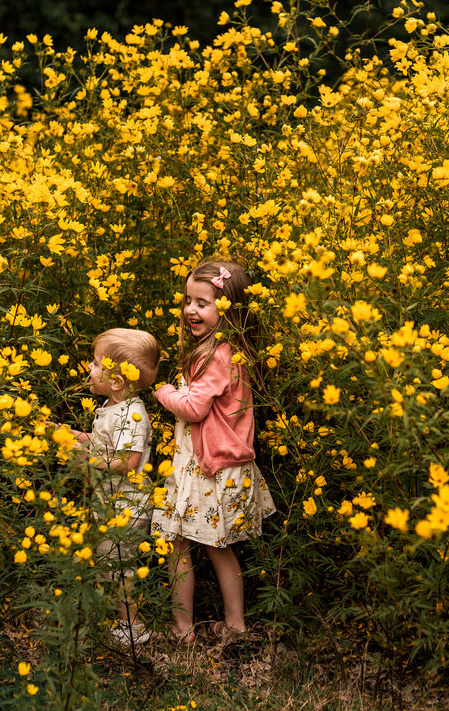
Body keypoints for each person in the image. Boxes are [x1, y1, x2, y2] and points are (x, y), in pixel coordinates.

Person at [151, 259, 276, 643]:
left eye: (203, 303)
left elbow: (193, 408)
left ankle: (183, 628)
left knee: (178, 546)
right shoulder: (230, 350)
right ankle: (235, 626)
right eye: (188, 300)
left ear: (229, 307)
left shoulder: (218, 355)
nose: (191, 309)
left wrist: (162, 391)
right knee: (219, 549)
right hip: (217, 465)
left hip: (206, 470)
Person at [73, 327, 160, 647]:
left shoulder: (133, 414)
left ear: (117, 382)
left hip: (128, 508)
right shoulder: (113, 407)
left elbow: (128, 461)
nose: (89, 368)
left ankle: (132, 626)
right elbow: (101, 443)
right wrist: (70, 435)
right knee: (109, 564)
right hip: (113, 505)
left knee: (119, 568)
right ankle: (118, 618)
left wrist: (87, 457)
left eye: (96, 364)